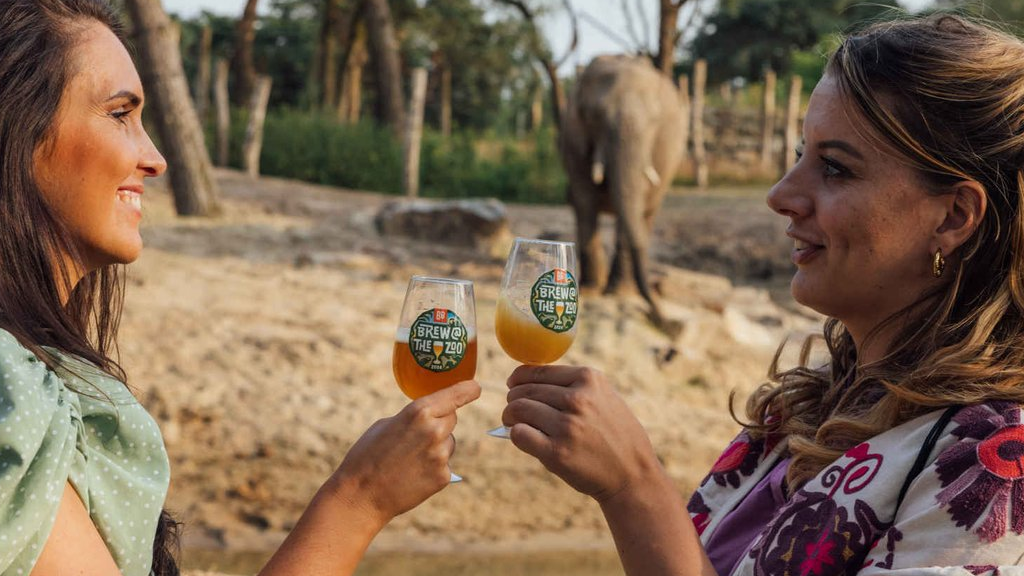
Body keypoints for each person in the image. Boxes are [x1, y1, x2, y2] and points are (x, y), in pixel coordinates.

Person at [502, 13, 1024, 576]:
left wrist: (635, 489)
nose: (780, 195)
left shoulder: (990, 466)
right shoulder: (802, 410)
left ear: (953, 216)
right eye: (801, 154)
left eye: (834, 168)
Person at [0, 1, 480, 575]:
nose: (155, 159)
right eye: (119, 113)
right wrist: (359, 499)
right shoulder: (11, 395)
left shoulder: (40, 370)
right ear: (16, 131)